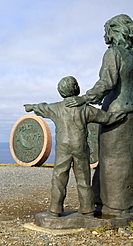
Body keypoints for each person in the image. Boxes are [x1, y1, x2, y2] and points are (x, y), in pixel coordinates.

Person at [25, 76, 125, 217]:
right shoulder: (85, 109)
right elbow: (106, 118)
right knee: (83, 178)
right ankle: (88, 209)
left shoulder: (56, 108)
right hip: (80, 146)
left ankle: (54, 210)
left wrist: (31, 107)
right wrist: (121, 115)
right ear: (76, 89)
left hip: (63, 148)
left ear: (61, 91)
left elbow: (42, 107)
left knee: (59, 177)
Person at [65, 14, 133, 215]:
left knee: (112, 161)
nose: (104, 35)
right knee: (127, 160)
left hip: (115, 114)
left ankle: (114, 206)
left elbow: (107, 83)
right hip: (131, 113)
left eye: (106, 30)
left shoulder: (114, 54)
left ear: (115, 30)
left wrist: (84, 99)